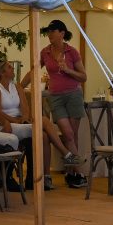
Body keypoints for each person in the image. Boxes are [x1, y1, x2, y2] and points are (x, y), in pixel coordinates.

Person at [39, 19, 86, 182]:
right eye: (48, 31)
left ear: (62, 33)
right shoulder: (44, 52)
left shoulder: (72, 52)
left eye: (52, 31)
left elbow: (83, 76)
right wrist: (20, 85)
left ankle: (72, 173)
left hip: (73, 94)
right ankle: (79, 171)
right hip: (55, 97)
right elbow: (34, 69)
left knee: (72, 136)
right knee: (67, 133)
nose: (49, 34)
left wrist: (67, 70)